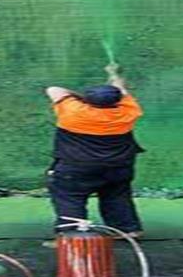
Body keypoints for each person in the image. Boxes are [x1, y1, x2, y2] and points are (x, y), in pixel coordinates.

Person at [44, 62, 145, 239]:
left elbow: (54, 89)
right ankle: (127, 229)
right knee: (116, 195)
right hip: (118, 166)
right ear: (118, 100)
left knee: (69, 197)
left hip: (76, 167)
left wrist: (80, 98)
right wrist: (114, 74)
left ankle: (72, 235)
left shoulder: (73, 110)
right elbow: (121, 90)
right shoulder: (129, 111)